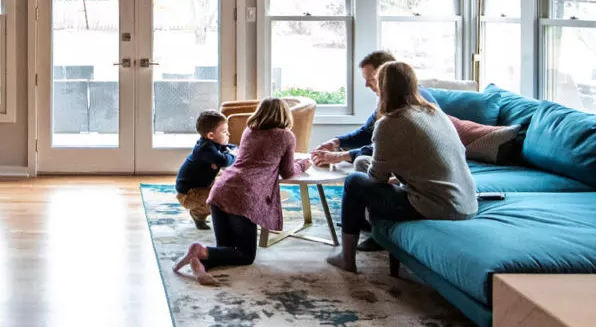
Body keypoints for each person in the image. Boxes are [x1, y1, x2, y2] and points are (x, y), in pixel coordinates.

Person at [329, 61, 476, 273]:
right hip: (466, 201)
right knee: (362, 162)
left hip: (438, 207)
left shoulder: (390, 123)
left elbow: (377, 178)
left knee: (353, 182)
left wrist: (389, 178)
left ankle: (347, 258)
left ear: (383, 87)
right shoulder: (434, 113)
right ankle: (370, 231)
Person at [173, 98, 307, 286]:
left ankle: (200, 261)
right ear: (285, 115)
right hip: (244, 196)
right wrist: (303, 164)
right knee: (245, 255)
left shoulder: (249, 131)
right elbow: (288, 172)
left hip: (221, 189)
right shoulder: (286, 136)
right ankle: (198, 250)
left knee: (225, 250)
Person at [310, 49, 436, 250]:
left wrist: (340, 156)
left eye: (370, 78)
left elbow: (381, 147)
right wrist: (336, 141)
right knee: (363, 163)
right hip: (418, 176)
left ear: (386, 76)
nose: (366, 84)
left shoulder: (412, 106)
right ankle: (361, 219)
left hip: (421, 184)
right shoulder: (396, 103)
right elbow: (367, 132)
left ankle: (373, 234)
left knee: (359, 175)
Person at [174, 109, 235, 230]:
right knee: (219, 200)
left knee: (226, 188)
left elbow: (230, 148)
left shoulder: (214, 144)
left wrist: (232, 151)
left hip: (201, 186)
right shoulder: (205, 149)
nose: (228, 134)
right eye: (224, 131)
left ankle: (203, 211)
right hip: (188, 194)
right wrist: (233, 155)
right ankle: (198, 213)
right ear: (211, 135)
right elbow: (224, 161)